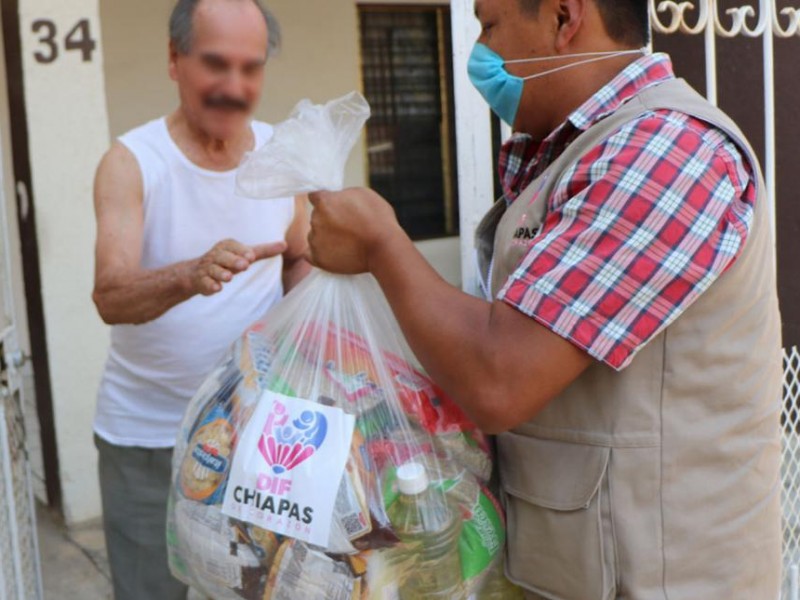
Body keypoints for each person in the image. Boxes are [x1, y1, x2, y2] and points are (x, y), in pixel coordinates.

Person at [307, 0, 782, 598]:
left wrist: (381, 245)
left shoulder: (665, 150)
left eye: (488, 26)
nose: (477, 54)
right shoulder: (577, 152)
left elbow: (500, 379)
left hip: (667, 579)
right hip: (579, 570)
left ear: (563, 19)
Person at [91, 0, 310, 598]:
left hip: (257, 433)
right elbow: (110, 295)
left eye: (251, 68)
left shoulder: (280, 154)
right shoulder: (132, 163)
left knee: (263, 588)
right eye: (216, 64)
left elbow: (299, 256)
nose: (234, 87)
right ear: (174, 59)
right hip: (148, 438)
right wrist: (191, 273)